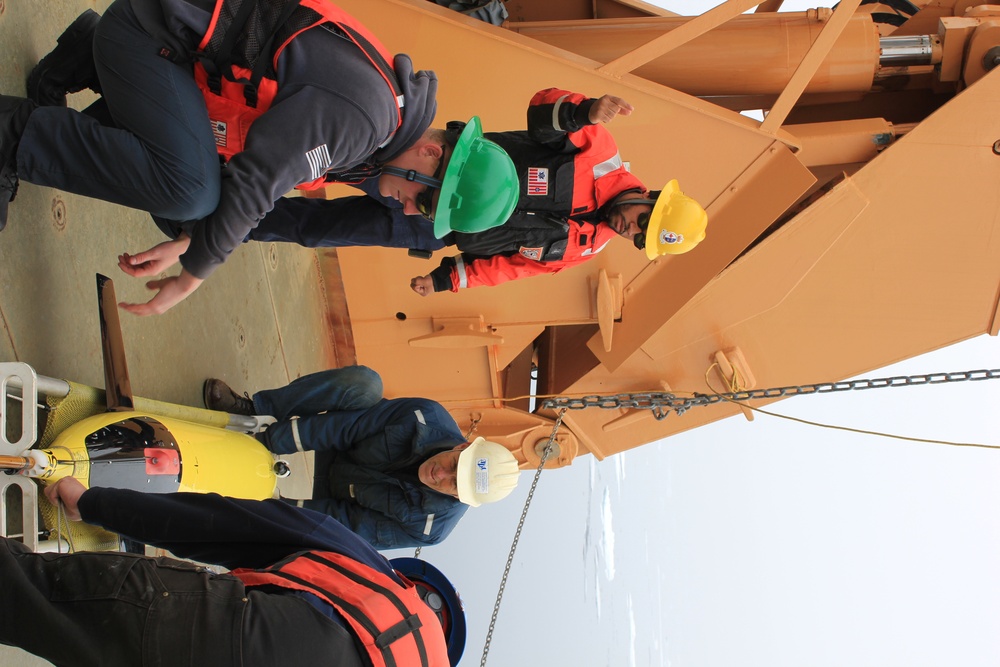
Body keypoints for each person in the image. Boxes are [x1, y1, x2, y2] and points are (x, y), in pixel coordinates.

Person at [0, 0, 440, 314]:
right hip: (151, 34)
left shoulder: (384, 130)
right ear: (430, 153)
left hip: (175, 60)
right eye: (423, 202)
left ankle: (85, 55)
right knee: (188, 190)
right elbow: (257, 181)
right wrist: (190, 277)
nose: (406, 210)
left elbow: (252, 168)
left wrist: (192, 242)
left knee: (195, 215)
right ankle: (14, 135)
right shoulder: (368, 118)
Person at [240, 87, 709, 295]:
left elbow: (511, 268)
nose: (633, 229)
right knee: (327, 158)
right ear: (649, 198)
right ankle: (233, 151)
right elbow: (541, 107)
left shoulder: (585, 249)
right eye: (644, 222)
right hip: (426, 167)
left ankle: (230, 222)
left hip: (434, 229)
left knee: (319, 231)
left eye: (640, 240)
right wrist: (583, 111)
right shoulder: (597, 149)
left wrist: (446, 279)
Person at [3, 476, 455, 667]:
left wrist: (93, 503)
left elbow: (211, 523)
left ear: (410, 582)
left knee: (35, 595)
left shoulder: (365, 569)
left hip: (259, 638)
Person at [203, 365, 522, 549]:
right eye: (454, 467)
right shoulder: (424, 416)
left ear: (462, 498)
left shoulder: (430, 528)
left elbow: (345, 528)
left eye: (454, 485)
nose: (440, 475)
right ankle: (257, 413)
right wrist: (265, 439)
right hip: (342, 445)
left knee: (307, 536)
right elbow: (346, 428)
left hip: (341, 500)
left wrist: (270, 507)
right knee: (364, 384)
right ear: (463, 448)